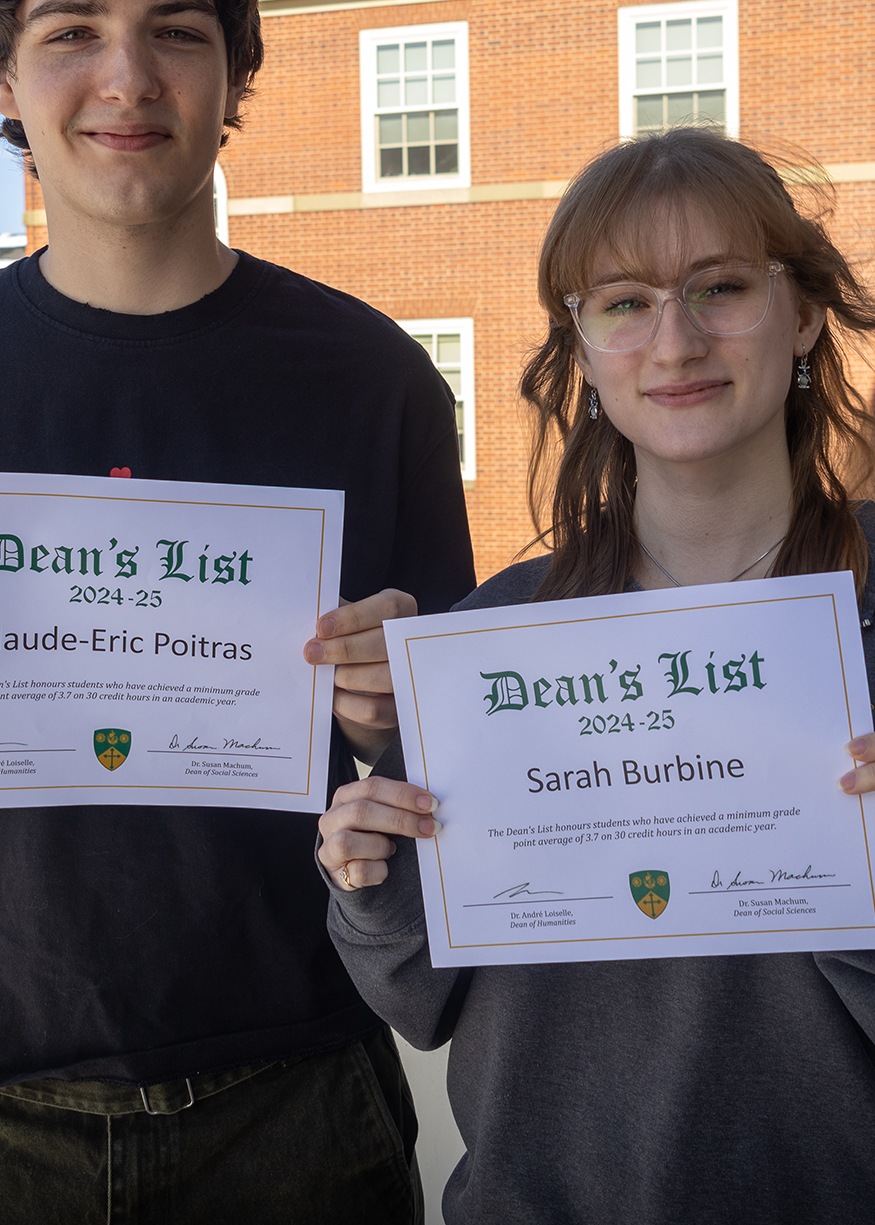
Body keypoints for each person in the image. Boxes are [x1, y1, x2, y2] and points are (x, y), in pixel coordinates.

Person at [0, 0, 475, 1224]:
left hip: (297, 1080)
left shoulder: (369, 375)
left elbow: (447, 765)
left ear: (235, 73)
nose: (127, 79)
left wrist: (405, 706)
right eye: (72, 30)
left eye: (178, 30)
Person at [318, 127, 875, 1224]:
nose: (673, 342)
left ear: (803, 313)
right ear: (579, 346)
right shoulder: (497, 638)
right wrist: (367, 876)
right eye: (622, 302)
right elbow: (419, 1000)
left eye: (719, 287)